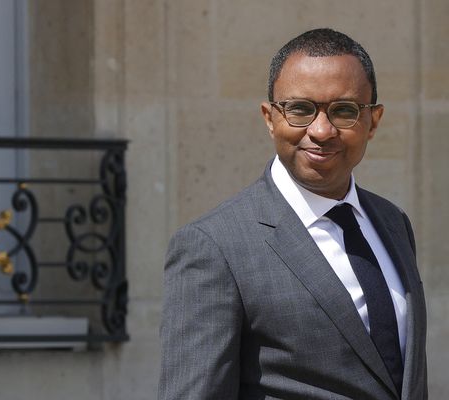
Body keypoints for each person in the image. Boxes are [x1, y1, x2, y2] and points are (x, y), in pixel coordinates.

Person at [158, 28, 427, 400]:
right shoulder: (214, 246)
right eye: (300, 109)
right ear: (270, 118)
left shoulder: (392, 222)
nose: (321, 130)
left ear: (374, 121)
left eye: (344, 111)